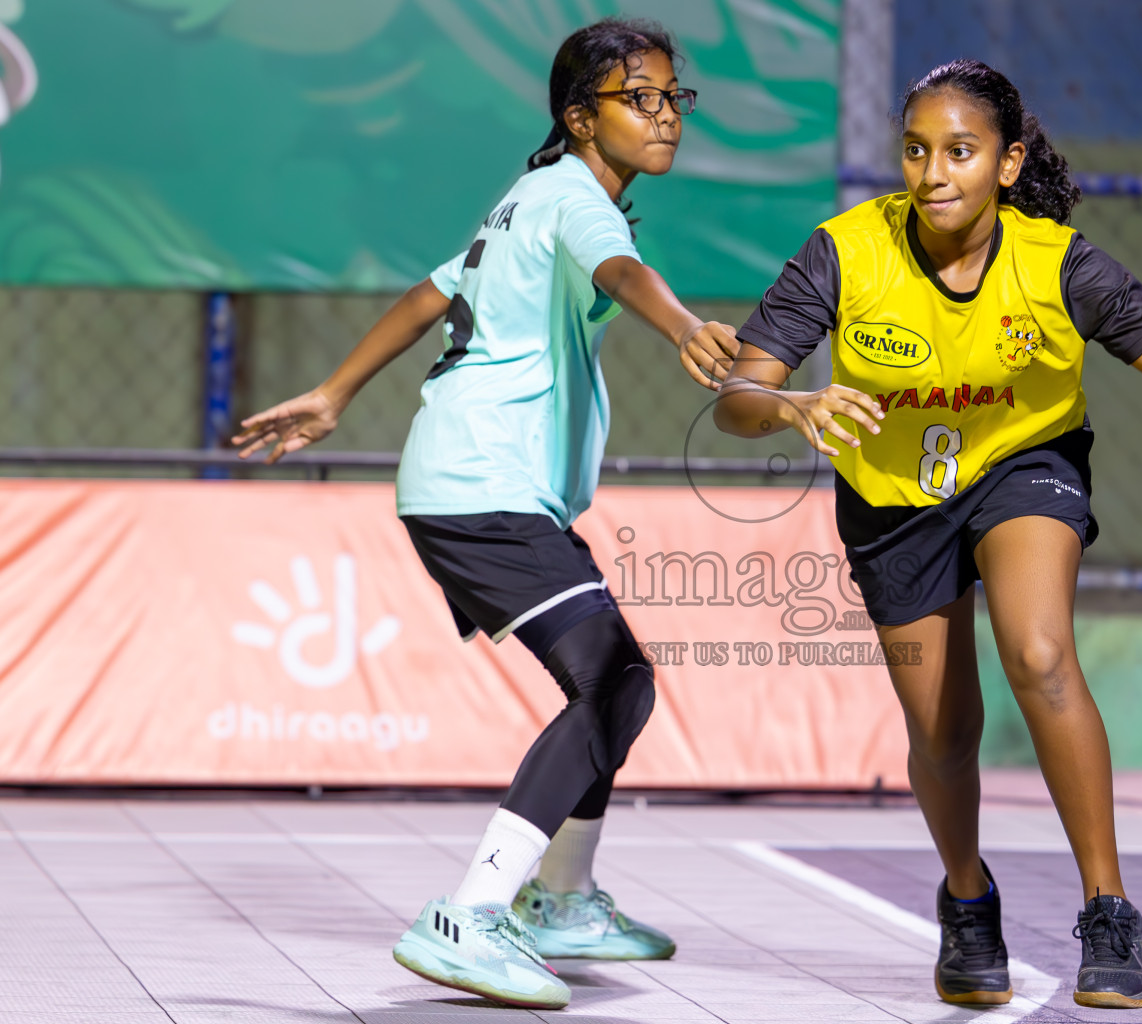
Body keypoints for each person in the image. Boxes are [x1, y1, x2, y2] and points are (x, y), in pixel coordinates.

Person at [234, 18, 737, 1010]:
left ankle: (563, 900)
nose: (667, 115)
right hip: (483, 488)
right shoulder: (575, 201)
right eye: (641, 98)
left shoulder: (529, 198)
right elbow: (620, 273)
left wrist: (336, 392)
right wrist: (683, 324)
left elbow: (431, 293)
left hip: (481, 487)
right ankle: (474, 914)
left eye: (675, 97)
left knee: (615, 680)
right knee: (614, 681)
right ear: (579, 117)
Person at [715, 59, 1142, 1010]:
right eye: (916, 150)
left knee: (1038, 653)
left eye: (960, 151)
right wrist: (791, 405)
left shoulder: (1060, 264)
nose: (934, 171)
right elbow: (737, 401)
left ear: (1008, 162)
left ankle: (1109, 910)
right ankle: (967, 898)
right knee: (943, 730)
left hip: (1023, 465)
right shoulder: (845, 250)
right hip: (891, 499)